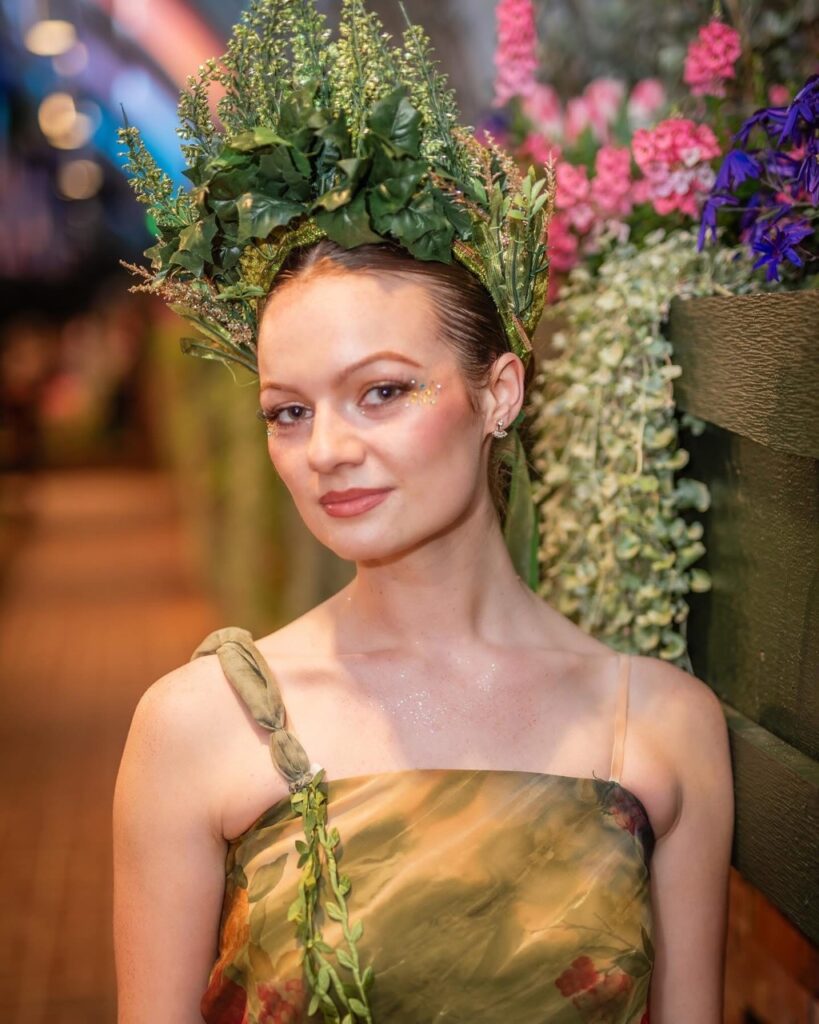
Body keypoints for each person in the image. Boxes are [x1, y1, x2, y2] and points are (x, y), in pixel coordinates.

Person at [112, 4, 734, 1022]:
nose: (327, 452)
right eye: (289, 411)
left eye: (384, 391)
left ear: (499, 393)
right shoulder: (197, 728)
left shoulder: (662, 730)